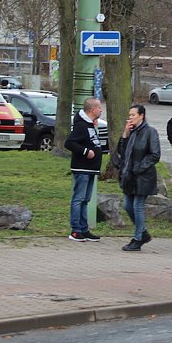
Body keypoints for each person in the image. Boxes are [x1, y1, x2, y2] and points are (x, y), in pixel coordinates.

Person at [116, 104, 161, 252]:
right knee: (127, 205)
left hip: (143, 176)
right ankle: (142, 233)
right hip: (129, 176)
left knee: (137, 205)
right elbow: (121, 153)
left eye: (133, 115)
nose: (130, 118)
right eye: (129, 115)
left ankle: (138, 238)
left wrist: (139, 168)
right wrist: (124, 134)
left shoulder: (150, 132)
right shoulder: (131, 132)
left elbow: (155, 155)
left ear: (141, 115)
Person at [64, 98, 104, 242]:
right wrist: (86, 151)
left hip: (91, 169)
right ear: (92, 109)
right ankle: (75, 230)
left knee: (85, 200)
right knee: (79, 199)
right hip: (82, 168)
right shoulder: (81, 126)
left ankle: (84, 229)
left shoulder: (90, 124)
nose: (101, 110)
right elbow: (69, 143)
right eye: (99, 107)